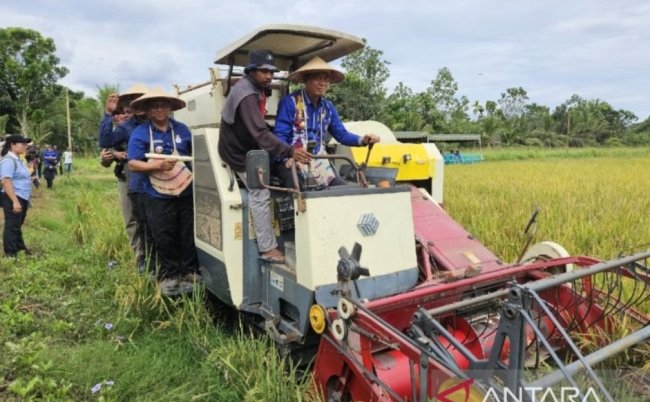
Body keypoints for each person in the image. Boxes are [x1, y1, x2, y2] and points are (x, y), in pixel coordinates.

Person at [218, 49, 312, 264]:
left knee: (288, 170)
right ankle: (268, 248)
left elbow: (261, 127)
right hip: (238, 152)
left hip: (253, 146)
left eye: (271, 72)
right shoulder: (246, 94)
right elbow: (260, 133)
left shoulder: (258, 88)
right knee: (260, 193)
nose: (269, 76)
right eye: (263, 71)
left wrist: (287, 154)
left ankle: (298, 229)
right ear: (251, 70)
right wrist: (290, 150)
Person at [128, 88, 199, 293]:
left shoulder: (182, 130)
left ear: (170, 108)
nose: (159, 109)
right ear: (149, 110)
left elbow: (196, 154)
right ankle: (169, 273)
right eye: (155, 106)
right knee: (163, 233)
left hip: (185, 191)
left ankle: (189, 270)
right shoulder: (141, 133)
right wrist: (156, 166)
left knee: (186, 231)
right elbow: (133, 163)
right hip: (156, 194)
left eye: (163, 105)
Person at [273, 56, 380, 189]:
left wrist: (363, 140)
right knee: (298, 190)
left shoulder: (328, 107)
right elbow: (280, 136)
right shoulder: (290, 102)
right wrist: (287, 157)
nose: (322, 83)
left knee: (341, 189)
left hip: (319, 159)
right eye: (317, 78)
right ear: (306, 79)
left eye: (326, 79)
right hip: (291, 157)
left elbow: (341, 134)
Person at [0, 135, 35, 257]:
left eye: (26, 144)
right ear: (13, 145)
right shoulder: (8, 161)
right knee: (12, 226)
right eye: (22, 144)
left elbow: (17, 177)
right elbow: (6, 181)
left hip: (22, 196)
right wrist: (15, 201)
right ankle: (10, 253)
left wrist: (29, 178)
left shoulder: (18, 160)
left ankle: (20, 248)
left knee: (17, 225)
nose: (25, 146)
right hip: (13, 197)